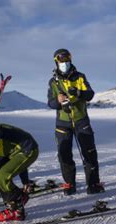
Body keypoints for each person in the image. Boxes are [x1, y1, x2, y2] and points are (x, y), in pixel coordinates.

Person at [47, 48, 104, 196]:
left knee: (89, 152)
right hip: (63, 123)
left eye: (67, 59)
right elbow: (50, 103)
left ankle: (93, 184)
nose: (64, 62)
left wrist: (78, 93)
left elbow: (90, 94)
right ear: (56, 62)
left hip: (81, 120)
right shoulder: (53, 82)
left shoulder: (80, 77)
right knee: (64, 154)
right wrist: (58, 101)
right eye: (61, 60)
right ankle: (69, 184)